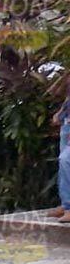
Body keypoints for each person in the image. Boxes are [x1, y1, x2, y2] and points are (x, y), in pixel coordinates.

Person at [50, 90, 70, 223]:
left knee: (65, 160)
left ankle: (69, 207)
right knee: (63, 166)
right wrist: (58, 115)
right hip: (66, 128)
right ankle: (65, 205)